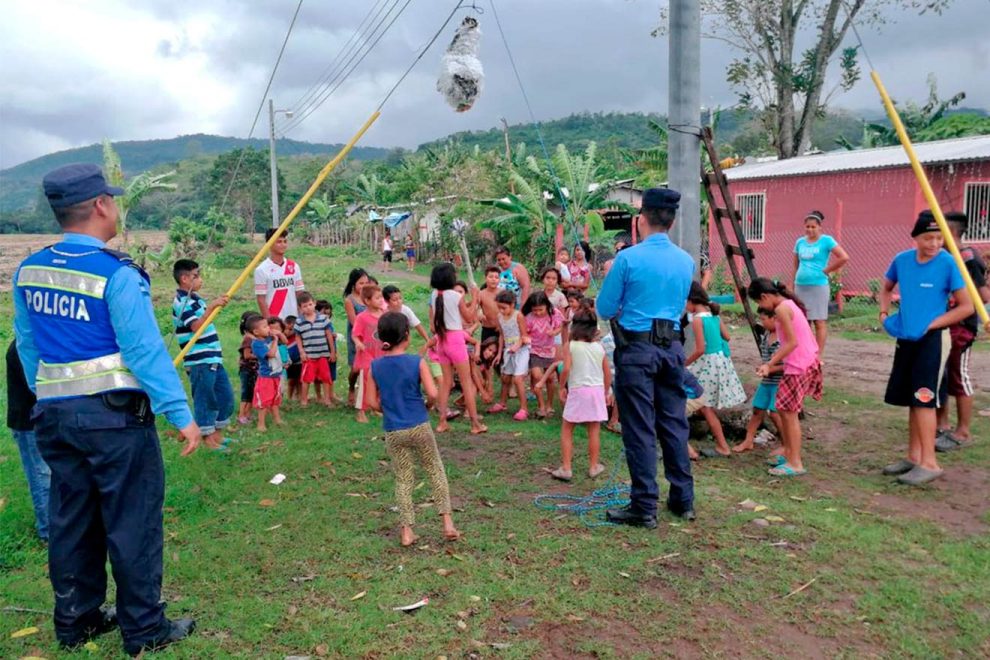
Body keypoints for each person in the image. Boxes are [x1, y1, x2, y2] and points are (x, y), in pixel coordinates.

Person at [13, 163, 199, 654]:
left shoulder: (29, 270)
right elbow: (143, 351)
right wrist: (180, 414)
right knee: (132, 520)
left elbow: (27, 347)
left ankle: (76, 621)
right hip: (114, 420)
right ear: (100, 205)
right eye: (112, 199)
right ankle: (143, 630)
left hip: (54, 416)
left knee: (72, 518)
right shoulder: (115, 274)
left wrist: (49, 396)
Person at [596, 187, 694, 528]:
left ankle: (644, 507)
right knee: (674, 423)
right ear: (672, 220)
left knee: (639, 428)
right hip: (673, 349)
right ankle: (683, 500)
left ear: (641, 220)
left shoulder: (628, 259)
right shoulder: (685, 260)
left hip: (637, 351)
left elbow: (605, 308)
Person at [879, 212, 973, 486]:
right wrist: (884, 314)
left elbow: (966, 306)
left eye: (938, 237)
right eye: (927, 237)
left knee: (924, 399)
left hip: (933, 341)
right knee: (912, 398)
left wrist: (933, 324)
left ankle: (930, 463)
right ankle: (913, 455)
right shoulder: (902, 261)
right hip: (906, 338)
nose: (934, 243)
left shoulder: (948, 262)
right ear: (915, 238)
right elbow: (886, 287)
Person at [366, 312, 460, 547]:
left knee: (404, 478)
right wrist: (426, 406)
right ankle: (447, 523)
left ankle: (407, 531)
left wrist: (386, 409)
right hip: (419, 425)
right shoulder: (416, 362)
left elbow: (370, 402)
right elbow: (433, 393)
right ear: (407, 336)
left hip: (393, 430)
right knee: (435, 471)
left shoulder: (374, 366)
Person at [747, 278, 822, 477]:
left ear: (764, 297)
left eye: (759, 303)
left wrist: (769, 364)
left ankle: (795, 462)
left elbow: (791, 343)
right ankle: (789, 454)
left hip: (797, 366)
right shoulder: (789, 304)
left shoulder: (781, 309)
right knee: (784, 411)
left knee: (789, 415)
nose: (761, 308)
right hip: (804, 362)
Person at [936, 211, 990, 451]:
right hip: (943, 324)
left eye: (940, 229)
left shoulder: (968, 258)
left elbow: (982, 295)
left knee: (959, 376)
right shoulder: (944, 256)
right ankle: (942, 426)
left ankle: (963, 431)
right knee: (942, 376)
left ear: (952, 231)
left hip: (962, 327)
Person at [172, 259, 233, 450]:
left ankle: (217, 434)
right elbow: (197, 326)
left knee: (225, 396)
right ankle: (207, 440)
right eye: (195, 276)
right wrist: (211, 308)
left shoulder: (196, 299)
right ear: (184, 279)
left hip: (213, 357)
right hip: (199, 360)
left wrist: (212, 306)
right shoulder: (181, 303)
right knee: (205, 399)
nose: (200, 280)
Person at [547, 308, 610, 481]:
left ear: (575, 326)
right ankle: (594, 466)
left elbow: (566, 368)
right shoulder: (599, 347)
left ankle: (566, 468)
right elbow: (607, 373)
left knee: (567, 429)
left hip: (578, 390)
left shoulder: (571, 346)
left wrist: (561, 387)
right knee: (594, 430)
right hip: (596, 391)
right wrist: (605, 392)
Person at [427, 263, 488, 434]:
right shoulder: (455, 295)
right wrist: (475, 298)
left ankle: (442, 422)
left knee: (446, 382)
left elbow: (435, 323)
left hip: (441, 341)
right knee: (466, 382)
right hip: (455, 339)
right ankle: (475, 424)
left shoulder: (434, 295)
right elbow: (469, 317)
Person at [6, 341, 50, 542]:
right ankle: (47, 530)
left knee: (52, 476)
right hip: (27, 423)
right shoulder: (22, 349)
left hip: (42, 419)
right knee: (42, 478)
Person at [791, 210, 849, 357]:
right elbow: (796, 265)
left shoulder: (826, 241)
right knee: (803, 322)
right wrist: (793, 284)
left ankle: (817, 355)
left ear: (819, 227)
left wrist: (827, 270)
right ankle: (804, 352)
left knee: (819, 321)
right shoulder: (800, 242)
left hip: (818, 286)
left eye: (813, 227)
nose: (810, 230)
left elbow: (843, 257)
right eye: (807, 227)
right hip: (801, 286)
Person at [684, 282, 746, 410]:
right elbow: (727, 337)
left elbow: (700, 350)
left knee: (701, 401)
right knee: (706, 403)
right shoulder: (714, 315)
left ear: (692, 300)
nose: (685, 306)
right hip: (721, 360)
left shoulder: (697, 320)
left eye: (685, 301)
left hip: (709, 362)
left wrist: (684, 363)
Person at [732, 308, 785, 454]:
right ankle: (748, 440)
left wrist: (769, 369)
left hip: (780, 382)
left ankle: (787, 443)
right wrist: (763, 367)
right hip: (767, 381)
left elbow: (788, 365)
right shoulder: (767, 334)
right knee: (757, 410)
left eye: (763, 319)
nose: (762, 322)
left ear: (774, 318)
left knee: (774, 413)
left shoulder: (784, 339)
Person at [489, 290, 531, 420]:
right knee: (505, 378)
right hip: (508, 350)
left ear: (512, 304)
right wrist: (499, 353)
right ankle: (502, 403)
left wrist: (517, 346)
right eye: (499, 307)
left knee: (518, 379)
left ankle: (524, 409)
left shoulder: (518, 316)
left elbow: (524, 336)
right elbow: (502, 335)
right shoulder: (500, 317)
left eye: (504, 308)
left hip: (521, 350)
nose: (501, 310)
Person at [523, 291, 565, 418]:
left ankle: (549, 405)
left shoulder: (555, 313)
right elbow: (524, 332)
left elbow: (562, 326)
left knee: (551, 379)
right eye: (535, 310)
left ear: (547, 305)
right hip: (534, 350)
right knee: (537, 376)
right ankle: (541, 405)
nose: (538, 313)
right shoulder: (529, 317)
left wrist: (554, 332)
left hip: (549, 350)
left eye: (540, 310)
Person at [353, 283, 387, 423]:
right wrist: (358, 343)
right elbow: (355, 334)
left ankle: (375, 407)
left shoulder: (385, 315)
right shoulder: (362, 317)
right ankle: (361, 411)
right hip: (367, 354)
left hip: (382, 354)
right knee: (366, 381)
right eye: (377, 298)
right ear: (367, 301)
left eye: (381, 298)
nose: (381, 300)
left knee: (380, 381)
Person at [295, 292, 335, 407]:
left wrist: (332, 352)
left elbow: (329, 335)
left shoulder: (323, 319)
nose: (308, 308)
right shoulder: (299, 322)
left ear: (314, 303)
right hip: (309, 356)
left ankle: (327, 399)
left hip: (323, 354)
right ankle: (304, 400)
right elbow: (298, 338)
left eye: (310, 304)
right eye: (304, 306)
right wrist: (301, 352)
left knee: (326, 378)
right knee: (306, 379)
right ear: (300, 308)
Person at [254, 227, 305, 319]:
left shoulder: (293, 266)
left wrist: (302, 317)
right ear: (269, 244)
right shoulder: (261, 270)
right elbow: (261, 299)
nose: (283, 245)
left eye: (285, 241)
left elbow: (300, 293)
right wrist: (270, 322)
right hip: (275, 320)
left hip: (294, 319)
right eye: (279, 242)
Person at [249, 315, 284, 432]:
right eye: (265, 327)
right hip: (266, 377)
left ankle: (277, 419)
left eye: (267, 326)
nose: (268, 328)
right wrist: (275, 341)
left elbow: (286, 341)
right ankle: (261, 423)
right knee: (264, 401)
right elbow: (271, 354)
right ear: (256, 332)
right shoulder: (257, 344)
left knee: (275, 398)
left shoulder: (269, 338)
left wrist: (279, 334)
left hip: (276, 374)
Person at [343, 269, 370, 405]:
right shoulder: (350, 300)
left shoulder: (370, 297)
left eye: (366, 283)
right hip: (357, 336)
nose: (364, 286)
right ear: (353, 284)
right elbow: (354, 322)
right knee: (355, 368)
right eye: (361, 283)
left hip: (372, 337)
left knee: (370, 367)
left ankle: (368, 396)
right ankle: (352, 388)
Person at [238, 312, 261, 425]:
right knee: (246, 393)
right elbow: (247, 355)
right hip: (247, 370)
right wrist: (262, 355)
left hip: (254, 369)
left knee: (252, 392)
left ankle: (248, 414)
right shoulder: (248, 339)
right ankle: (241, 415)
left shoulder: (255, 338)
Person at [478, 265, 502, 344]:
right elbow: (476, 307)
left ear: (499, 280)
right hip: (487, 328)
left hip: (501, 328)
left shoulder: (503, 293)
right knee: (485, 352)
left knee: (501, 352)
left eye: (496, 277)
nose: (493, 279)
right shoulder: (481, 294)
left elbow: (509, 310)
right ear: (485, 278)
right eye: (491, 277)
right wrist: (480, 312)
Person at [284, 315, 303, 402]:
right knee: (291, 381)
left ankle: (300, 396)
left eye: (291, 329)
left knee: (300, 380)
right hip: (290, 363)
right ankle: (289, 397)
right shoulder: (283, 340)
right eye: (286, 329)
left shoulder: (298, 338)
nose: (287, 332)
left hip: (299, 362)